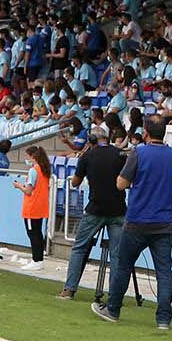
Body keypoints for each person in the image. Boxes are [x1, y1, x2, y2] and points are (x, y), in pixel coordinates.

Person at [93, 118, 172, 330]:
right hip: (165, 221)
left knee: (123, 265)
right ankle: (164, 319)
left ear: (145, 132)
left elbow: (120, 183)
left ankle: (113, 309)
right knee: (164, 271)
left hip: (138, 220)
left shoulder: (139, 153)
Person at [60, 127, 127, 300]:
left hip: (95, 209)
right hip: (118, 209)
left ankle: (69, 289)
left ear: (91, 140)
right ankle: (115, 295)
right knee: (117, 254)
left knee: (79, 248)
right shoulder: (120, 154)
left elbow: (75, 182)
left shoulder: (87, 157)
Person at [12, 146, 52, 270]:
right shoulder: (45, 169)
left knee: (33, 234)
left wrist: (19, 186)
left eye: (28, 156)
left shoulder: (33, 170)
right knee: (38, 233)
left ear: (32, 156)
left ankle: (36, 260)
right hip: (41, 206)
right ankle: (39, 260)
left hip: (32, 207)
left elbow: (28, 191)